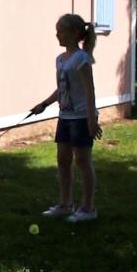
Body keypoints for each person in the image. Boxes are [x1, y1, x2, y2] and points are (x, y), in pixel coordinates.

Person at [29, 14, 102, 223]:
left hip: (81, 117)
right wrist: (44, 104)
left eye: (60, 31)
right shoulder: (60, 59)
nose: (57, 35)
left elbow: (90, 91)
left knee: (82, 161)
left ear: (75, 34)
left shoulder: (82, 59)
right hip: (65, 116)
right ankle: (65, 204)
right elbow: (62, 89)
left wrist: (91, 120)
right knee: (63, 160)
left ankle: (88, 208)